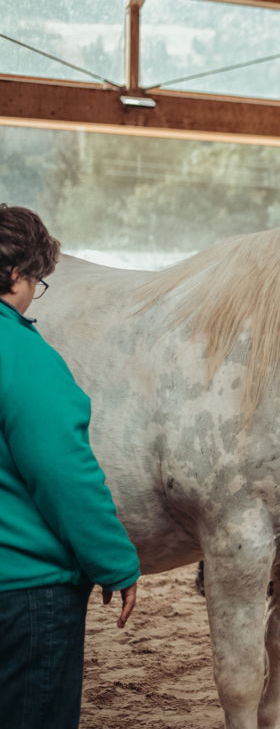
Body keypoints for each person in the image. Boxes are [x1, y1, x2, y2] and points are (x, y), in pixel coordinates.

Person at [0, 204, 140, 729]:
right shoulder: (21, 353)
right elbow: (63, 474)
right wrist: (115, 562)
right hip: (24, 592)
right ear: (17, 272)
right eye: (38, 278)